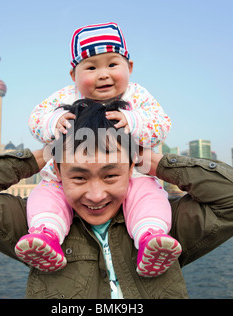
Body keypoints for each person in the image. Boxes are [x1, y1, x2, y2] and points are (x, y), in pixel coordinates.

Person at [0, 99, 233, 299]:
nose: (95, 195)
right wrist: (38, 157)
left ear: (131, 168)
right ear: (58, 172)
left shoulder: (167, 227)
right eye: (78, 176)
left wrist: (156, 162)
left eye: (110, 175)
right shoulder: (33, 229)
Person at [21, 22, 178, 277]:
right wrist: (52, 122)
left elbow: (162, 124)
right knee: (46, 197)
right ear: (73, 75)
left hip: (132, 173)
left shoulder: (136, 97)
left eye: (112, 64)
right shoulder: (65, 97)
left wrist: (134, 121)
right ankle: (45, 236)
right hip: (63, 178)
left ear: (130, 67)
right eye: (91, 68)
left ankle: (151, 238)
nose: (103, 74)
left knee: (149, 196)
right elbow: (35, 118)